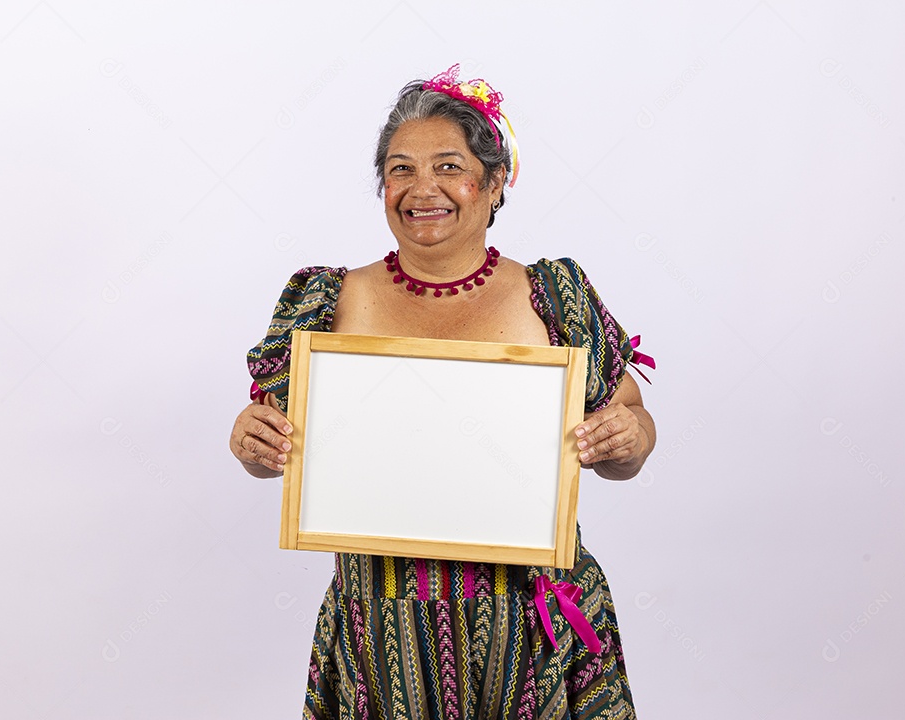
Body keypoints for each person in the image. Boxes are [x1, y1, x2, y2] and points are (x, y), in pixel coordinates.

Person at [230, 63, 656, 719]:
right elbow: (275, 442)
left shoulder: (555, 297)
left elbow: (629, 431)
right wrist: (251, 441)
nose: (422, 187)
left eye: (448, 166)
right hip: (383, 638)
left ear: (493, 184)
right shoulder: (329, 302)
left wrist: (627, 437)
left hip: (531, 635)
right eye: (401, 169)